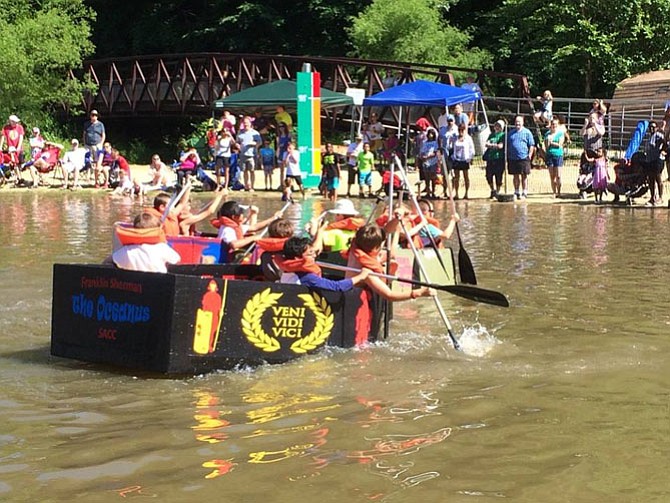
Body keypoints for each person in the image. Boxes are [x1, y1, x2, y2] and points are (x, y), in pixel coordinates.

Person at [346, 224, 435, 302]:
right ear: (375, 249)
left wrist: (397, 221)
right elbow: (389, 295)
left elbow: (386, 230)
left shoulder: (356, 245)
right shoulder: (367, 272)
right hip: (355, 304)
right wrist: (420, 292)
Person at [276, 235, 370, 290]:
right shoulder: (307, 277)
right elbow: (337, 287)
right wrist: (361, 276)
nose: (314, 256)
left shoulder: (287, 271)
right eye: (310, 254)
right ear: (297, 258)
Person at [109, 212, 181, 273]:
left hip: (133, 286)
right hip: (158, 284)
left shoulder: (126, 250)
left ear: (134, 230)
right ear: (157, 231)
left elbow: (110, 261)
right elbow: (177, 260)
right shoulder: (162, 248)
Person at [212, 200, 283, 261]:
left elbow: (254, 227)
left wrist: (273, 218)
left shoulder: (235, 226)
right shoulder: (227, 229)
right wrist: (253, 238)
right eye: (241, 214)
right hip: (228, 259)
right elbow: (234, 244)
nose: (243, 215)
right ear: (234, 217)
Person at [507, 115, 536, 200]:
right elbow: (507, 144)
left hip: (524, 157)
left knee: (524, 176)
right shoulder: (510, 133)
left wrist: (529, 155)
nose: (517, 123)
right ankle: (516, 191)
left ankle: (524, 192)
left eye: (519, 121)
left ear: (523, 122)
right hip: (513, 158)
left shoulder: (527, 132)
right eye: (516, 121)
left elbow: (531, 145)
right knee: (515, 176)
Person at [643, 121, 665, 206]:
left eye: (653, 127)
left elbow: (664, 141)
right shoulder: (648, 138)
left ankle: (660, 197)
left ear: (656, 128)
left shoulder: (659, 136)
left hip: (657, 160)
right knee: (651, 179)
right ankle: (652, 198)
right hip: (649, 160)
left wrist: (663, 151)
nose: (651, 128)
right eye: (650, 127)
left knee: (658, 178)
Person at [451, 123, 475, 200]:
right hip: (457, 160)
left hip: (465, 160)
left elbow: (472, 149)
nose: (461, 131)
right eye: (459, 130)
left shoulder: (468, 138)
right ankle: (457, 193)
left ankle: (466, 193)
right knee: (456, 177)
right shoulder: (455, 138)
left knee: (466, 177)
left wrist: (470, 158)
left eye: (462, 130)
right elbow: (452, 147)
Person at [236, 116, 261, 191]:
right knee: (244, 171)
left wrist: (252, 144)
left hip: (252, 154)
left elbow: (259, 142)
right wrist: (238, 146)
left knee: (252, 171)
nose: (245, 124)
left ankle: (252, 187)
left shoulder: (255, 133)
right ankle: (246, 186)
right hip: (243, 154)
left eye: (247, 122)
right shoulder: (240, 132)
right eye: (244, 122)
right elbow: (237, 142)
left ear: (250, 123)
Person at [543, 118, 565, 197]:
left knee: (558, 175)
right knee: (552, 176)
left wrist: (551, 141)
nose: (554, 126)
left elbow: (560, 144)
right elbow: (546, 146)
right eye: (552, 124)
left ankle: (559, 192)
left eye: (555, 124)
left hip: (558, 155)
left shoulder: (560, 134)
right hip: (550, 155)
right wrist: (548, 143)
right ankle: (554, 192)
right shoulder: (547, 134)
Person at [484, 120, 506, 199]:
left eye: (499, 126)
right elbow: (486, 144)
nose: (497, 127)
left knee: (498, 176)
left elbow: (501, 146)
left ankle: (497, 191)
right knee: (488, 175)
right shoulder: (491, 135)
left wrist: (492, 145)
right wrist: (494, 145)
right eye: (496, 125)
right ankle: (492, 190)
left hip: (499, 158)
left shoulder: (503, 135)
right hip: (490, 158)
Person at [82, 110, 105, 177]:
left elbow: (103, 134)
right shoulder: (86, 124)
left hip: (97, 144)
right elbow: (84, 134)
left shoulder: (100, 124)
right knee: (88, 160)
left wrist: (101, 143)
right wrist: (84, 143)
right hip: (88, 145)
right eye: (92, 115)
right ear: (90, 116)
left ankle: (96, 174)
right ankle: (88, 173)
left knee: (97, 160)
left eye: (95, 115)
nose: (94, 116)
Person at [419, 128, 439, 199]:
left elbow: (435, 153)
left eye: (432, 134)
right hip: (425, 162)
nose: (430, 135)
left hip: (433, 162)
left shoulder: (435, 143)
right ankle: (428, 192)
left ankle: (433, 192)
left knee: (433, 177)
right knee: (427, 178)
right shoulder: (424, 142)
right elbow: (421, 151)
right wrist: (422, 157)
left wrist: (428, 156)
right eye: (429, 133)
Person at [275, 122, 292, 187]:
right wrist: (277, 153)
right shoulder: (278, 137)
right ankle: (281, 184)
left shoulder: (289, 135)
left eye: (282, 126)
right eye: (280, 127)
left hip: (287, 153)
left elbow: (291, 144)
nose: (281, 128)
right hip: (281, 153)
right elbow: (278, 146)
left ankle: (289, 183)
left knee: (289, 170)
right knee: (281, 170)